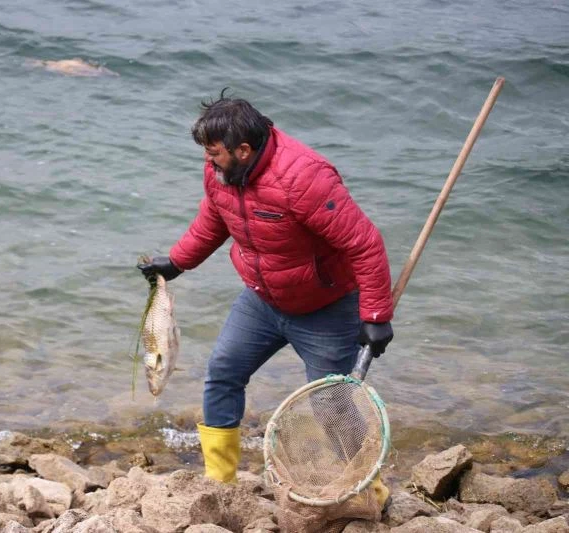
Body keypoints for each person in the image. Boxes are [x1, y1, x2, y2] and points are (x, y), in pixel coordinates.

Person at [137, 90, 394, 502]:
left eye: (215, 152)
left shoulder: (305, 178)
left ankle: (371, 489)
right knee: (222, 371)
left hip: (324, 307)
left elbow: (364, 244)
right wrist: (177, 262)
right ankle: (218, 484)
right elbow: (213, 220)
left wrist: (377, 315)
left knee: (332, 405)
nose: (207, 161)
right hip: (262, 300)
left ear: (243, 149)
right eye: (205, 152)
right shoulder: (221, 173)